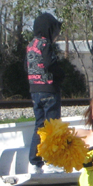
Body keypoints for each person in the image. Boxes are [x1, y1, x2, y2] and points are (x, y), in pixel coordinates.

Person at [27, 12, 64, 174]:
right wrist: (61, 75)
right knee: (52, 126)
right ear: (49, 29)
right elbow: (50, 64)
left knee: (39, 125)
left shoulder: (30, 45)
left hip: (35, 90)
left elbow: (26, 67)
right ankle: (51, 160)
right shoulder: (45, 44)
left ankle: (35, 161)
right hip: (49, 89)